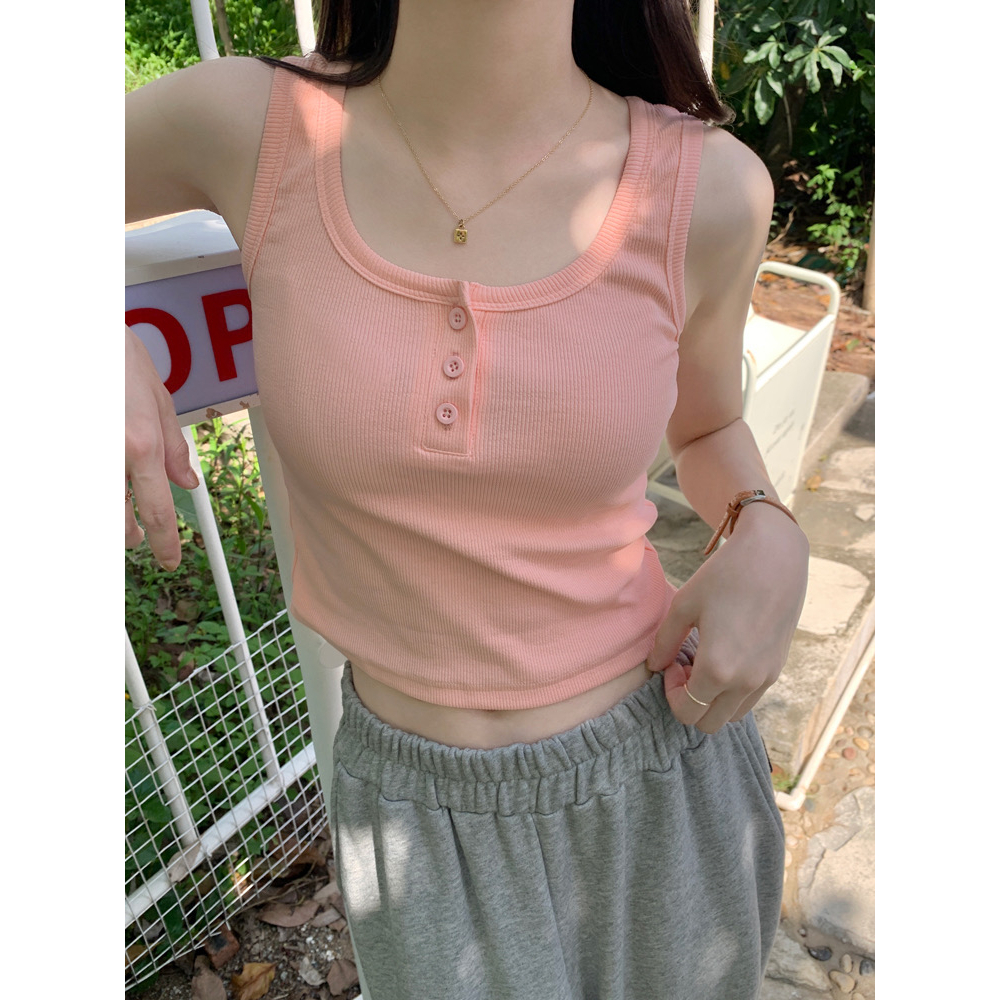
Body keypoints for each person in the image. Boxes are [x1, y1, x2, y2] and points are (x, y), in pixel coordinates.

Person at [126, 1, 810, 997]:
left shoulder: (709, 189)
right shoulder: (249, 124)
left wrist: (768, 527)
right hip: (412, 820)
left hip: (659, 771)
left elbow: (707, 429)